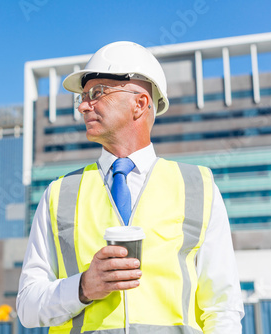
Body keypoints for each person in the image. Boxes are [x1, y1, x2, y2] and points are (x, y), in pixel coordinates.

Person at [16, 41, 244, 334]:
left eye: (97, 93)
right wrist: (83, 287)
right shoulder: (59, 194)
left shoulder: (198, 187)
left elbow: (222, 308)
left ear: (140, 103)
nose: (84, 106)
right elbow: (27, 307)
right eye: (83, 97)